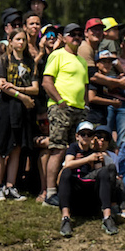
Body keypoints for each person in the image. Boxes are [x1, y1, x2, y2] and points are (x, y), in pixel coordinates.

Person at [40, 23, 88, 205]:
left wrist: (85, 106)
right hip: (61, 108)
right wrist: (60, 101)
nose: (76, 37)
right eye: (72, 34)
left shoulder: (82, 60)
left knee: (75, 151)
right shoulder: (57, 54)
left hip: (79, 110)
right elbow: (46, 82)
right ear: (65, 37)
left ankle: (68, 190)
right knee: (57, 149)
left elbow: (84, 86)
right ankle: (50, 193)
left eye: (79, 34)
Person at [0, 28, 37, 201]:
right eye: (17, 39)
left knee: (17, 147)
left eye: (23, 39)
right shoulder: (4, 60)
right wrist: (23, 96)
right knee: (2, 147)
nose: (21, 43)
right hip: (6, 107)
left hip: (22, 110)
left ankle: (11, 186)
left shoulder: (30, 62)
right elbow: (2, 84)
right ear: (10, 41)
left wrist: (16, 88)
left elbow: (35, 88)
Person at [56, 121, 120, 237]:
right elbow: (67, 165)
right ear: (77, 136)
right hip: (75, 190)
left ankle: (107, 216)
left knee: (105, 171)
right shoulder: (73, 148)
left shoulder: (93, 152)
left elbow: (98, 172)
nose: (86, 137)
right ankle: (65, 218)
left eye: (89, 134)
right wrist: (87, 159)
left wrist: (97, 161)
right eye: (83, 134)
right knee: (66, 172)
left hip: (90, 192)